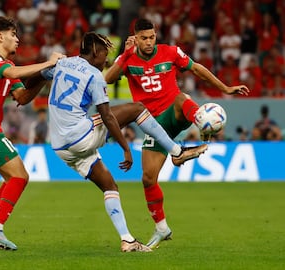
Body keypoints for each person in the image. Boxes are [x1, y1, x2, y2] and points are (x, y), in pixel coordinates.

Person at [14, 32, 207, 252]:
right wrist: (126, 148)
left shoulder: (61, 64)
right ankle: (176, 151)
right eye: (105, 54)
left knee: (109, 185)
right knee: (137, 109)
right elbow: (107, 116)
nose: (106, 60)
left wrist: (43, 72)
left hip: (60, 147)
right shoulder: (94, 75)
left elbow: (32, 79)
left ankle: (127, 240)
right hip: (81, 136)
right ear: (95, 51)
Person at [104, 18, 250, 250]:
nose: (149, 42)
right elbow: (107, 79)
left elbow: (197, 69)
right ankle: (161, 227)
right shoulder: (128, 58)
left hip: (174, 113)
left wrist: (224, 88)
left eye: (152, 37)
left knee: (182, 98)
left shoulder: (170, 52)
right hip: (151, 124)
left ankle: (202, 125)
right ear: (136, 38)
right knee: (148, 178)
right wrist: (124, 54)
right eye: (144, 38)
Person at [0, 16, 64, 251]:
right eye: (13, 35)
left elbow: (23, 97)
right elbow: (12, 74)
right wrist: (47, 64)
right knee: (20, 177)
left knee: (13, 178)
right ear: (0, 36)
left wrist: (43, 78)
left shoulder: (5, 65)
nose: (17, 40)